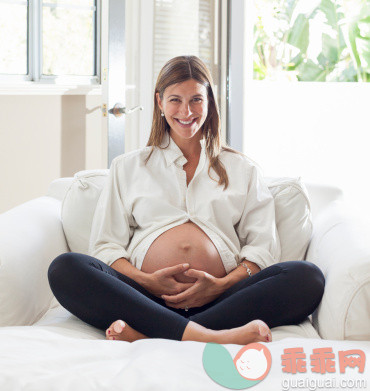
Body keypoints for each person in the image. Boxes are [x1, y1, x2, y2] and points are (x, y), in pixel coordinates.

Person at [48, 55, 325, 345]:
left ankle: (152, 332)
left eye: (196, 100)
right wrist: (147, 281)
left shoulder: (244, 170)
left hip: (223, 299)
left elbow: (262, 249)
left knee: (308, 277)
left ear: (210, 102)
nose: (186, 111)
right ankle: (206, 335)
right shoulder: (128, 167)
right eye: (175, 100)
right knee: (65, 268)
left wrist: (219, 286)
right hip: (144, 297)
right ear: (159, 102)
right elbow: (106, 245)